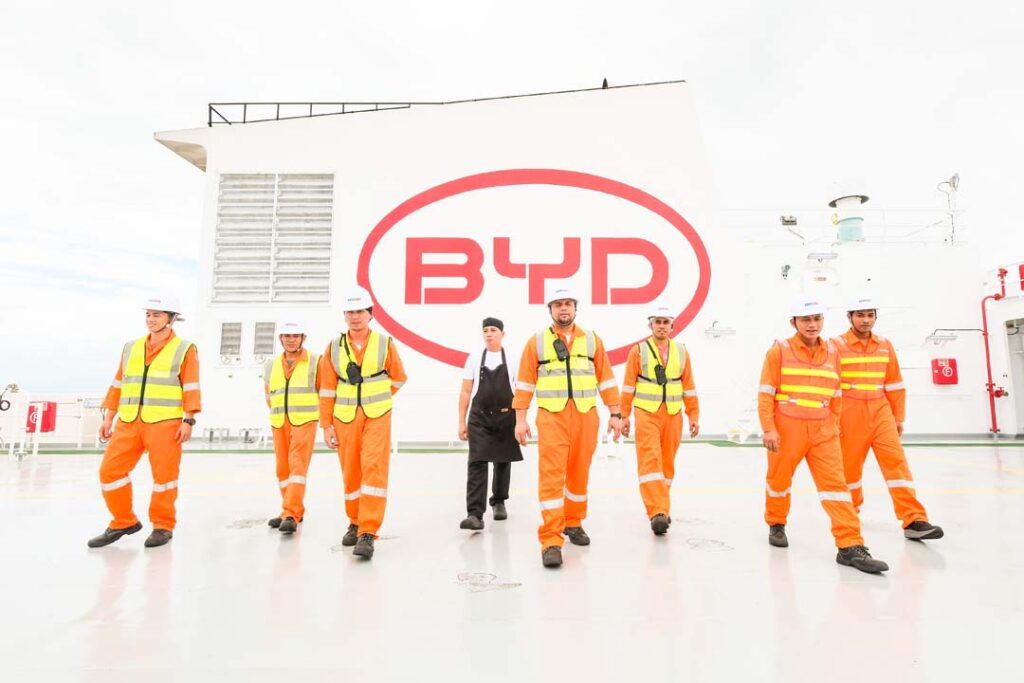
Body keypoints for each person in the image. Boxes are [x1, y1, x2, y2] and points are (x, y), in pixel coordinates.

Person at [757, 295, 889, 573]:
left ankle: (850, 545)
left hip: (823, 429)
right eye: (806, 320)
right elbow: (766, 393)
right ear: (793, 323)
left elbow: (837, 393)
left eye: (817, 319)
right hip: (787, 427)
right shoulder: (778, 351)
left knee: (837, 487)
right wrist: (769, 428)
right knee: (779, 480)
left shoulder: (832, 352)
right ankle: (776, 522)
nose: (812, 325)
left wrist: (835, 425)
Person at [513, 282, 622, 568]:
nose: (564, 309)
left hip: (586, 417)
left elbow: (606, 379)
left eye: (568, 304)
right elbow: (524, 384)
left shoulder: (592, 340)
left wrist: (615, 413)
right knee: (551, 476)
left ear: (575, 308)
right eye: (559, 305)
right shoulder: (536, 342)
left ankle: (573, 522)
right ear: (550, 309)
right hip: (552, 418)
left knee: (579, 473)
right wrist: (520, 420)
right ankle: (550, 539)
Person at [89, 293, 200, 549]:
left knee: (164, 477)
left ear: (171, 319)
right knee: (109, 471)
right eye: (148, 315)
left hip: (165, 423)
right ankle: (123, 521)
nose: (151, 319)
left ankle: (163, 526)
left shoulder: (185, 349)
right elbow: (119, 382)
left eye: (157, 315)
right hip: (128, 421)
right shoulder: (131, 347)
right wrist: (109, 416)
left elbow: (191, 386)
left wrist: (189, 420)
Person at [834, 295, 943, 540]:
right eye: (860, 315)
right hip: (849, 415)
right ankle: (849, 515)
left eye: (870, 315)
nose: (866, 320)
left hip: (881, 414)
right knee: (850, 470)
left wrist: (898, 417)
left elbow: (894, 383)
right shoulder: (835, 345)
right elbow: (829, 384)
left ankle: (914, 519)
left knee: (897, 464)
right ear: (849, 317)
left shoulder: (884, 345)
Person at [319, 286, 407, 560]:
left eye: (359, 311)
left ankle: (368, 531)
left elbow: (399, 377)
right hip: (344, 416)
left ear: (370, 314)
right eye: (350, 312)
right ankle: (355, 521)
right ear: (344, 316)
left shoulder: (384, 343)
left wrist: (378, 398)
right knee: (351, 471)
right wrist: (326, 424)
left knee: (373, 469)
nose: (355, 317)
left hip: (377, 415)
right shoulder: (333, 346)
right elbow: (327, 388)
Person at [620, 304, 699, 536]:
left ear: (672, 326)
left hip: (673, 414)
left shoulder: (682, 351)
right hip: (646, 413)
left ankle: (662, 505)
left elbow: (689, 386)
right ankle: (657, 512)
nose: (662, 326)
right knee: (650, 461)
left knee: (667, 464)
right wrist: (624, 415)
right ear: (650, 325)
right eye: (658, 322)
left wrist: (693, 415)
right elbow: (628, 385)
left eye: (666, 322)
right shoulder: (638, 351)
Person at [457, 317, 523, 530]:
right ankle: (475, 514)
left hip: (506, 416)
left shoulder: (513, 358)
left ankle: (499, 501)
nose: (489, 333)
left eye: (493, 330)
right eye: (485, 330)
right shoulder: (474, 358)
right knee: (476, 462)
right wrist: (461, 422)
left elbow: (520, 391)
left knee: (503, 460)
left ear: (503, 334)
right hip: (479, 417)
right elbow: (466, 391)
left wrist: (521, 421)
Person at [264, 320, 321, 535]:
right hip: (279, 421)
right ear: (280, 338)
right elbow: (269, 394)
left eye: (295, 336)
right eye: (287, 336)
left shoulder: (316, 361)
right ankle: (289, 509)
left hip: (304, 420)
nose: (291, 340)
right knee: (282, 469)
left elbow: (324, 391)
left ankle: (291, 513)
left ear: (303, 338)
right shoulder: (271, 365)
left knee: (297, 466)